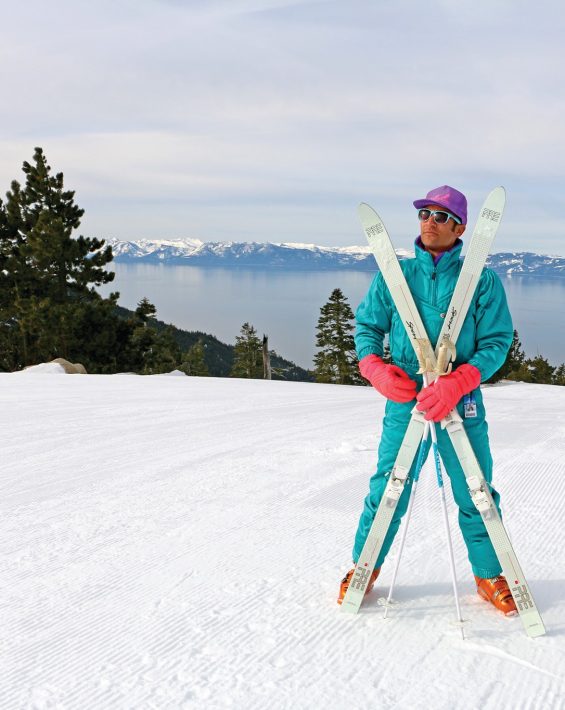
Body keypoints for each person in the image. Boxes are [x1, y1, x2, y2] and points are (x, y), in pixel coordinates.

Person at [338, 185, 517, 615]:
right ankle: (365, 567)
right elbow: (366, 328)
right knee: (388, 487)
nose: (429, 223)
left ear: (459, 227)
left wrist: (462, 380)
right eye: (424, 214)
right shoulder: (395, 277)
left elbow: (496, 341)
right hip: (407, 400)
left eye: (440, 216)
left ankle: (490, 574)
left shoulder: (482, 281)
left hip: (461, 400)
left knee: (476, 488)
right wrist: (376, 370)